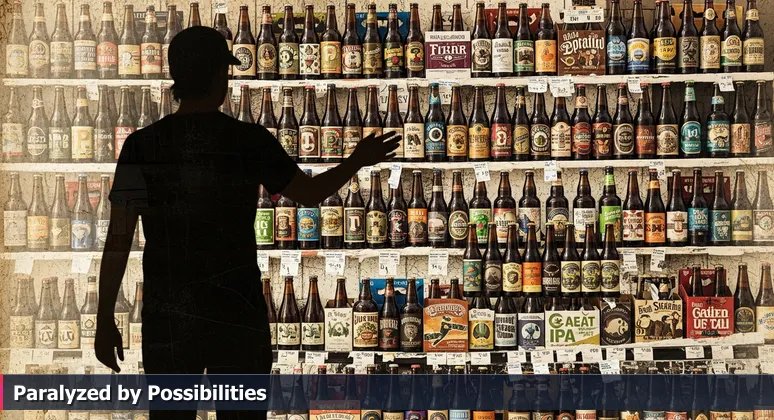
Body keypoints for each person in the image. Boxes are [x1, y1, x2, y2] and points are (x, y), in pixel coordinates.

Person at [94, 26, 400, 420]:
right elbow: (307, 194)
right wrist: (357, 160)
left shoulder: (141, 144)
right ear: (220, 76)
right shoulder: (248, 140)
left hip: (169, 313)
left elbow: (118, 240)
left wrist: (105, 319)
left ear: (177, 78)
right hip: (235, 309)